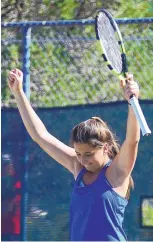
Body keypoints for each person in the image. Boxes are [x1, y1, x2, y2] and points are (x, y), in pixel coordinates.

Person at [8, 68, 140, 241]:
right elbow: (40, 136)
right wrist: (18, 93)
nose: (83, 160)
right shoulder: (78, 167)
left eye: (88, 154)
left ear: (105, 148)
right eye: (78, 153)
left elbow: (132, 140)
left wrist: (133, 101)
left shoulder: (117, 172)